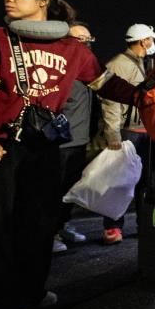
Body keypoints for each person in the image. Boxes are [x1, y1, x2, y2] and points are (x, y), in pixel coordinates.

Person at [0, 0, 140, 309]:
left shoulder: (73, 49)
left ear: (42, 1)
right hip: (0, 146)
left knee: (38, 226)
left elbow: (105, 83)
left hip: (42, 147)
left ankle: (30, 292)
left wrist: (147, 96)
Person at [96, 23, 155, 245]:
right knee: (121, 181)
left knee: (143, 182)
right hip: (128, 133)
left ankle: (142, 225)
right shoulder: (119, 64)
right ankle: (112, 227)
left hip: (143, 130)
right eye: (151, 40)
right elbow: (110, 103)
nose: (153, 44)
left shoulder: (142, 63)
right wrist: (113, 136)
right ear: (144, 41)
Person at [52, 21, 95, 253]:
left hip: (79, 141)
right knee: (56, 191)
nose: (86, 44)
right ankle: (49, 233)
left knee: (70, 191)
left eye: (88, 40)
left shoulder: (85, 69)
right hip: (62, 143)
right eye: (80, 39)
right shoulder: (61, 70)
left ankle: (62, 226)